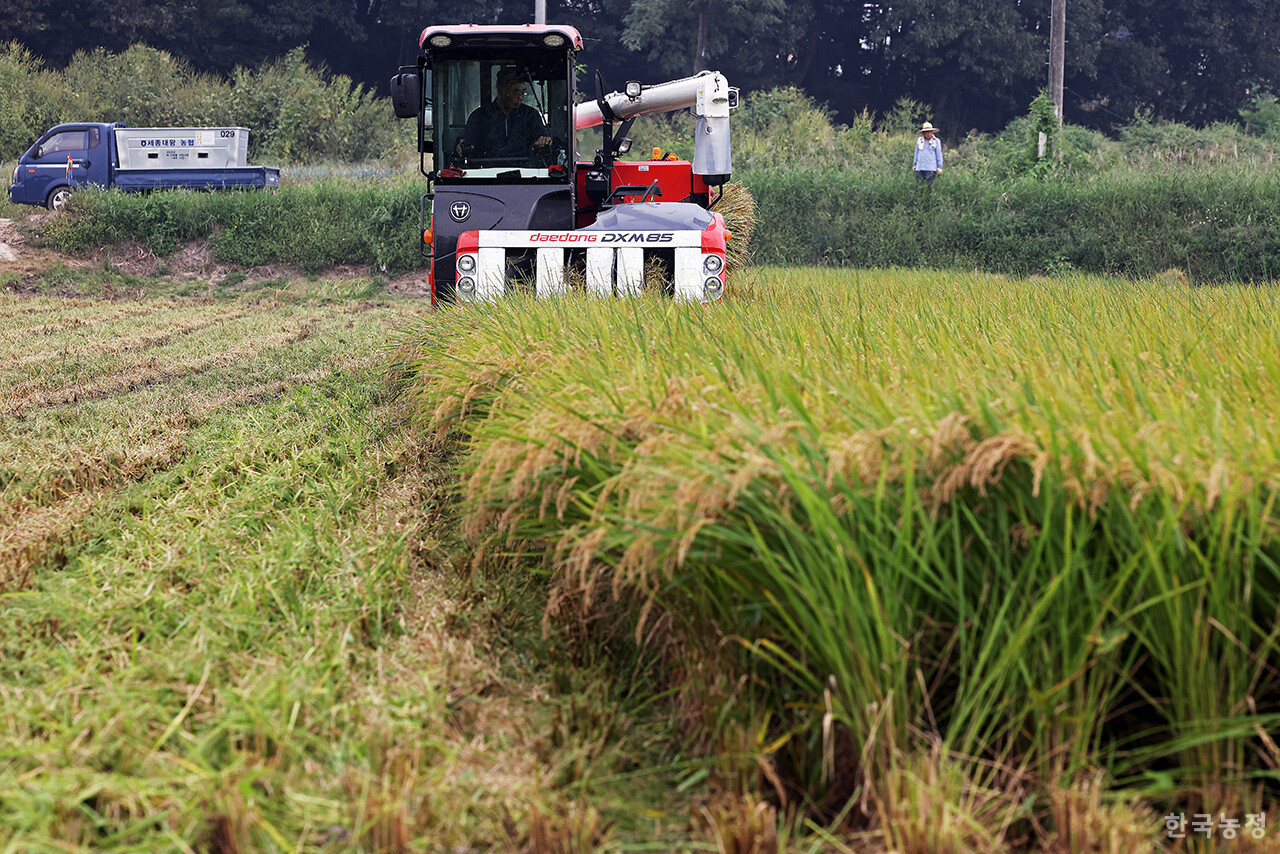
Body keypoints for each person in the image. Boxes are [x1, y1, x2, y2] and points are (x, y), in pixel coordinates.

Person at [455, 67, 553, 165]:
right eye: (515, 91)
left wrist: (544, 141)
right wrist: (463, 148)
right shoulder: (479, 116)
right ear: (500, 89)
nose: (520, 97)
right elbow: (469, 146)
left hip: (525, 174)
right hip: (486, 174)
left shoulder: (530, 114)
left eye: (523, 92)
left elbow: (542, 140)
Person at [913, 121, 944, 188]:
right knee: (919, 186)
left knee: (929, 187)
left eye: (930, 132)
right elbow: (917, 153)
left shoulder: (936, 141)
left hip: (930, 168)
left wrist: (939, 167)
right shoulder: (919, 140)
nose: (929, 133)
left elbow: (939, 154)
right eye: (927, 132)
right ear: (923, 133)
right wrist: (914, 165)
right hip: (920, 167)